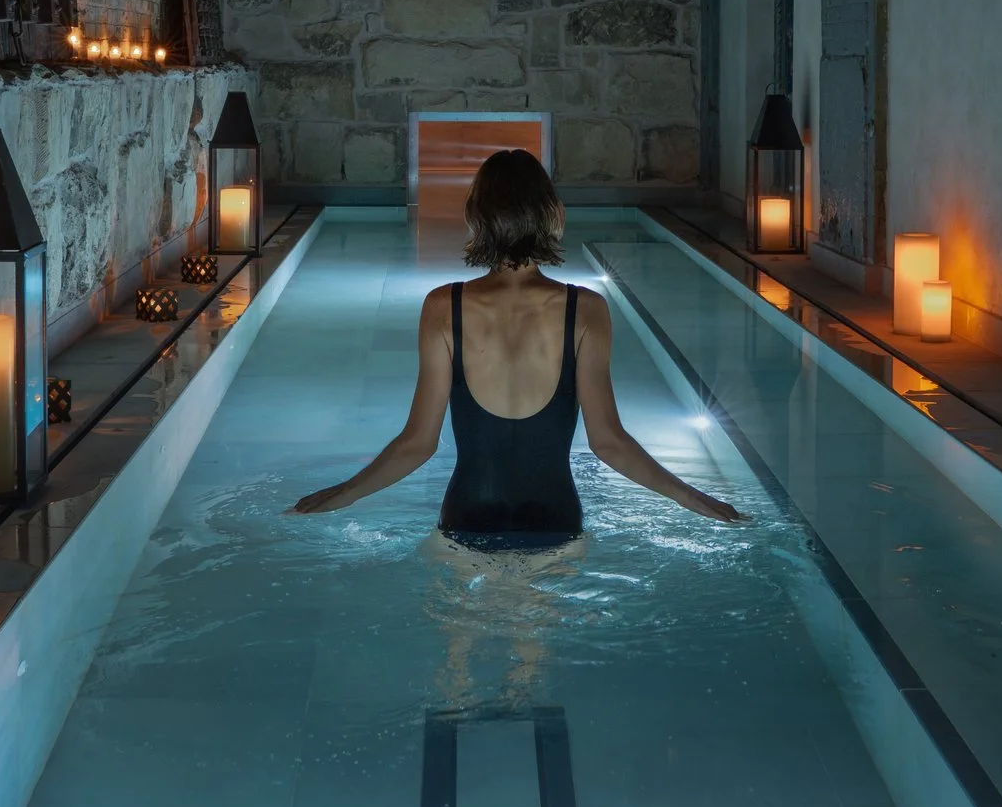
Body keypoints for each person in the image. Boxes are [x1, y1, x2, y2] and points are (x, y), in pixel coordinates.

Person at [289, 148, 744, 539]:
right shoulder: (585, 310)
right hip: (555, 519)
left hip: (467, 516)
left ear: (477, 217)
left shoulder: (443, 307)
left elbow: (417, 444)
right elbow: (610, 443)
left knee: (458, 638)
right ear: (551, 213)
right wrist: (695, 497)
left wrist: (341, 494)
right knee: (537, 641)